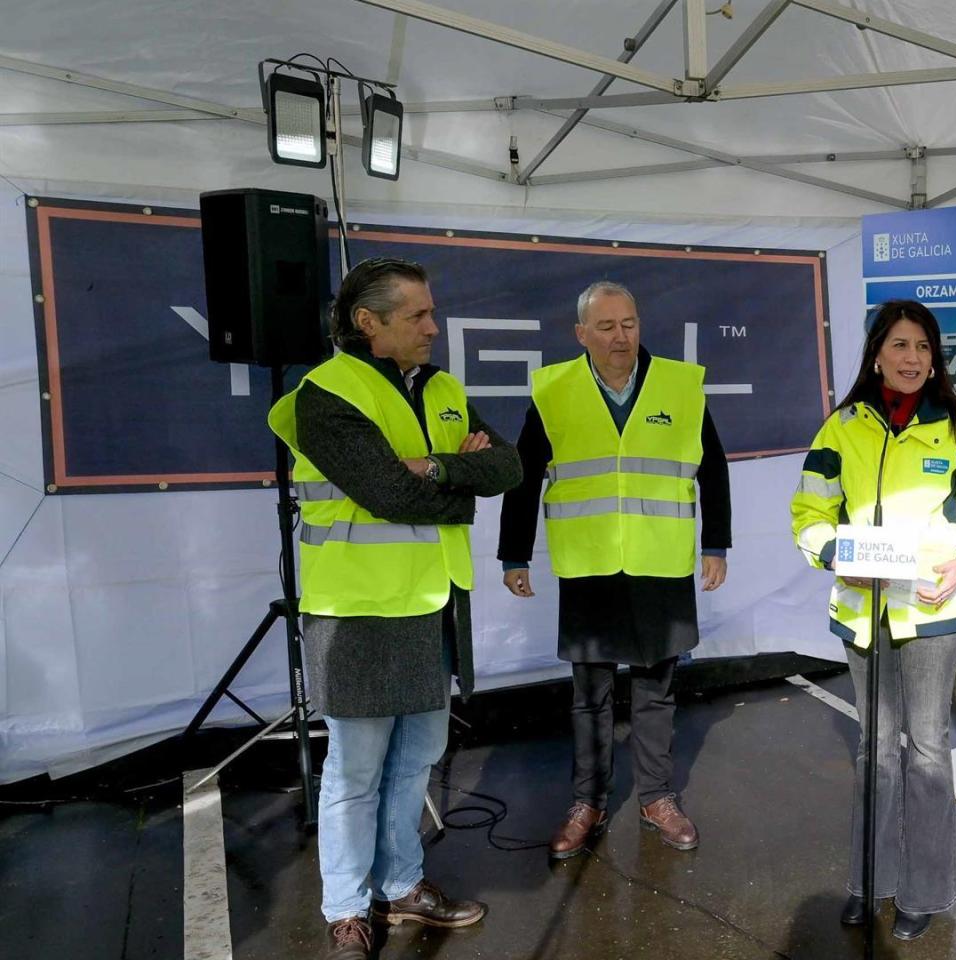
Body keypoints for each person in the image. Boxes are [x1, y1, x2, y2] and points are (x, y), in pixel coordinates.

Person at [267, 257, 522, 960]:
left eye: (432, 313)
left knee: (417, 761)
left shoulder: (440, 389)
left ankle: (403, 887)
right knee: (354, 770)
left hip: (431, 605)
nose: (433, 327)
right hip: (357, 613)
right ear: (367, 323)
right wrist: (454, 481)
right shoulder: (325, 395)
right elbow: (391, 496)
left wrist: (438, 465)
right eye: (418, 315)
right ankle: (348, 909)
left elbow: (509, 467)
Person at [790, 299, 956, 942]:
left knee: (929, 752)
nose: (913, 358)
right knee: (876, 749)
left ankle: (925, 891)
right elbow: (809, 512)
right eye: (900, 345)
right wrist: (834, 555)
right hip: (865, 615)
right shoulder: (841, 429)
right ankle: (868, 881)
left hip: (933, 614)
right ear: (877, 353)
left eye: (923, 347)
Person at [498, 280, 730, 859]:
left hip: (660, 559)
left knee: (656, 690)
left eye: (628, 323)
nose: (619, 336)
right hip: (590, 562)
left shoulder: (681, 385)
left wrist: (716, 546)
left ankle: (656, 796)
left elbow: (714, 469)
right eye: (605, 326)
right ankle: (589, 800)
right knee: (588, 692)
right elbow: (524, 476)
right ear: (581, 334)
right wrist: (514, 554)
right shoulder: (555, 391)